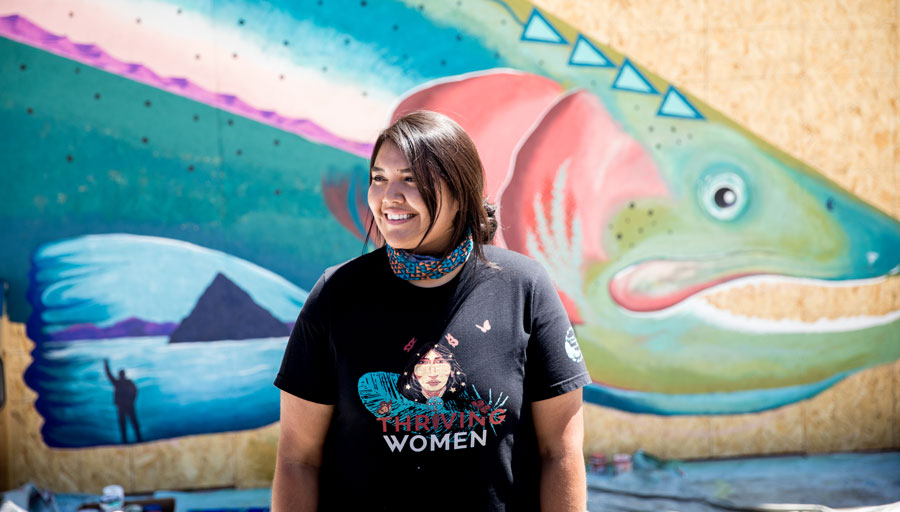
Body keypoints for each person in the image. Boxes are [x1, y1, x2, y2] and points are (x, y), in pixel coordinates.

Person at [273, 110, 590, 511]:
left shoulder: (523, 287)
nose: (389, 197)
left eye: (411, 179)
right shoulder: (336, 295)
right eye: (379, 178)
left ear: (461, 193)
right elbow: (298, 459)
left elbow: (559, 452)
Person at [103, 358, 142, 444]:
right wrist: (106, 365)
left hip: (126, 406)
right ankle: (127, 442)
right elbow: (109, 374)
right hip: (124, 406)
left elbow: (135, 390)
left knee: (131, 424)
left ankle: (138, 440)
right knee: (125, 425)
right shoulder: (121, 382)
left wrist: (132, 400)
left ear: (122, 374)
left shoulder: (121, 382)